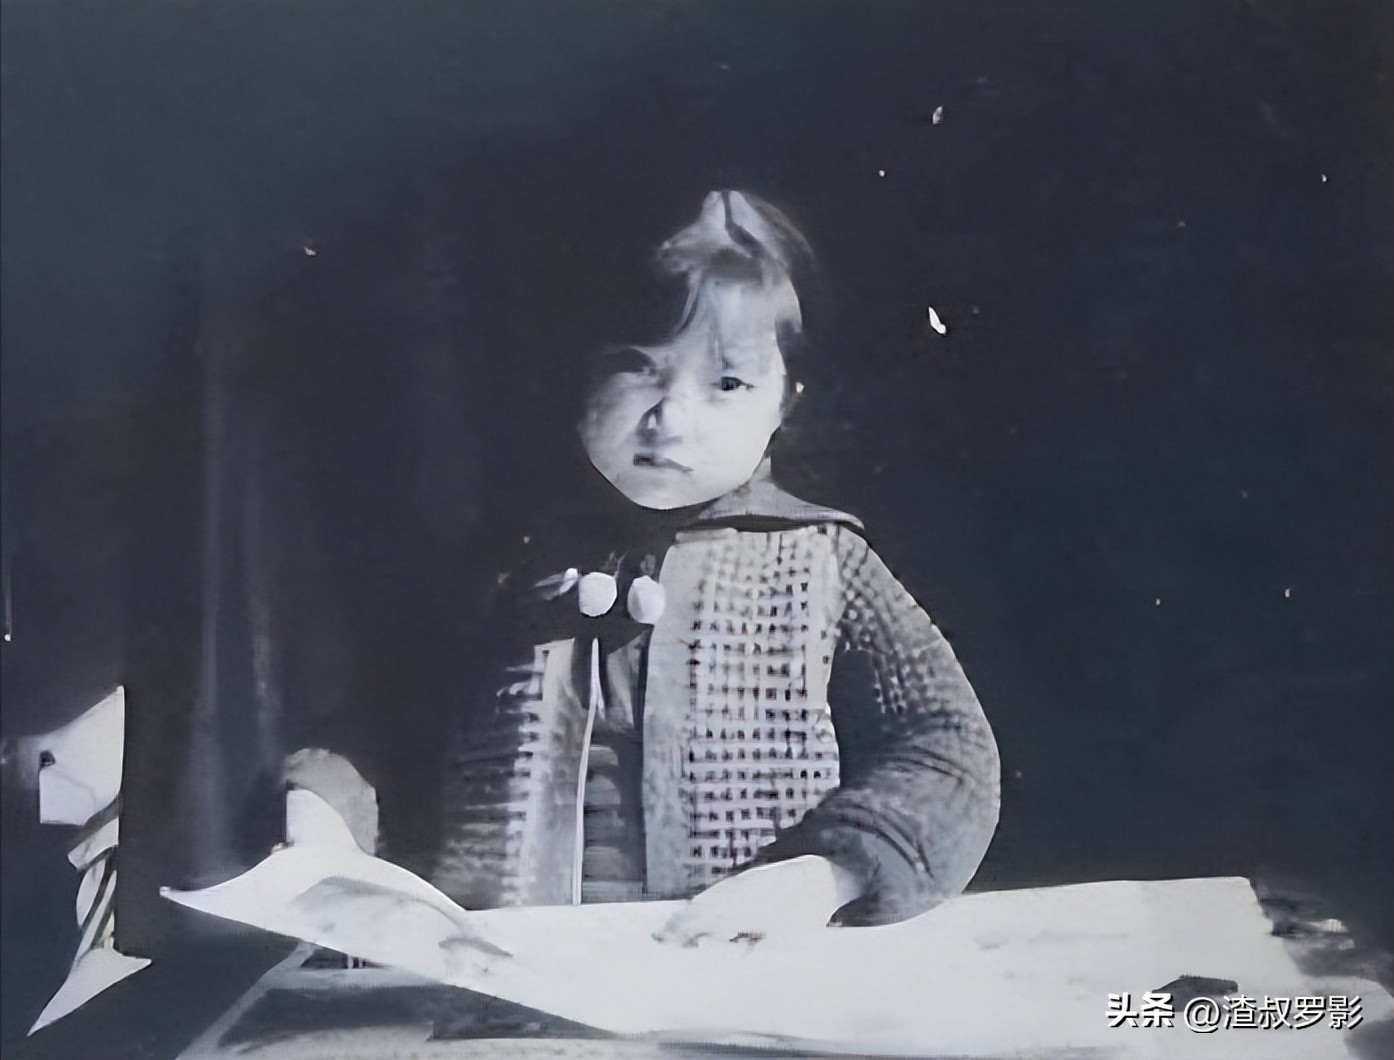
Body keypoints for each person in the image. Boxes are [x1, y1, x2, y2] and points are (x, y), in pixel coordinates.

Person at [433, 190, 999, 942]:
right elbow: (378, 730)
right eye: (639, 370)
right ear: (582, 382)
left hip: (747, 965)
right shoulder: (508, 563)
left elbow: (947, 748)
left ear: (783, 405)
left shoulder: (824, 562)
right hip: (507, 967)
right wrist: (323, 819)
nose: (670, 420)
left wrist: (825, 876)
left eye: (727, 383)